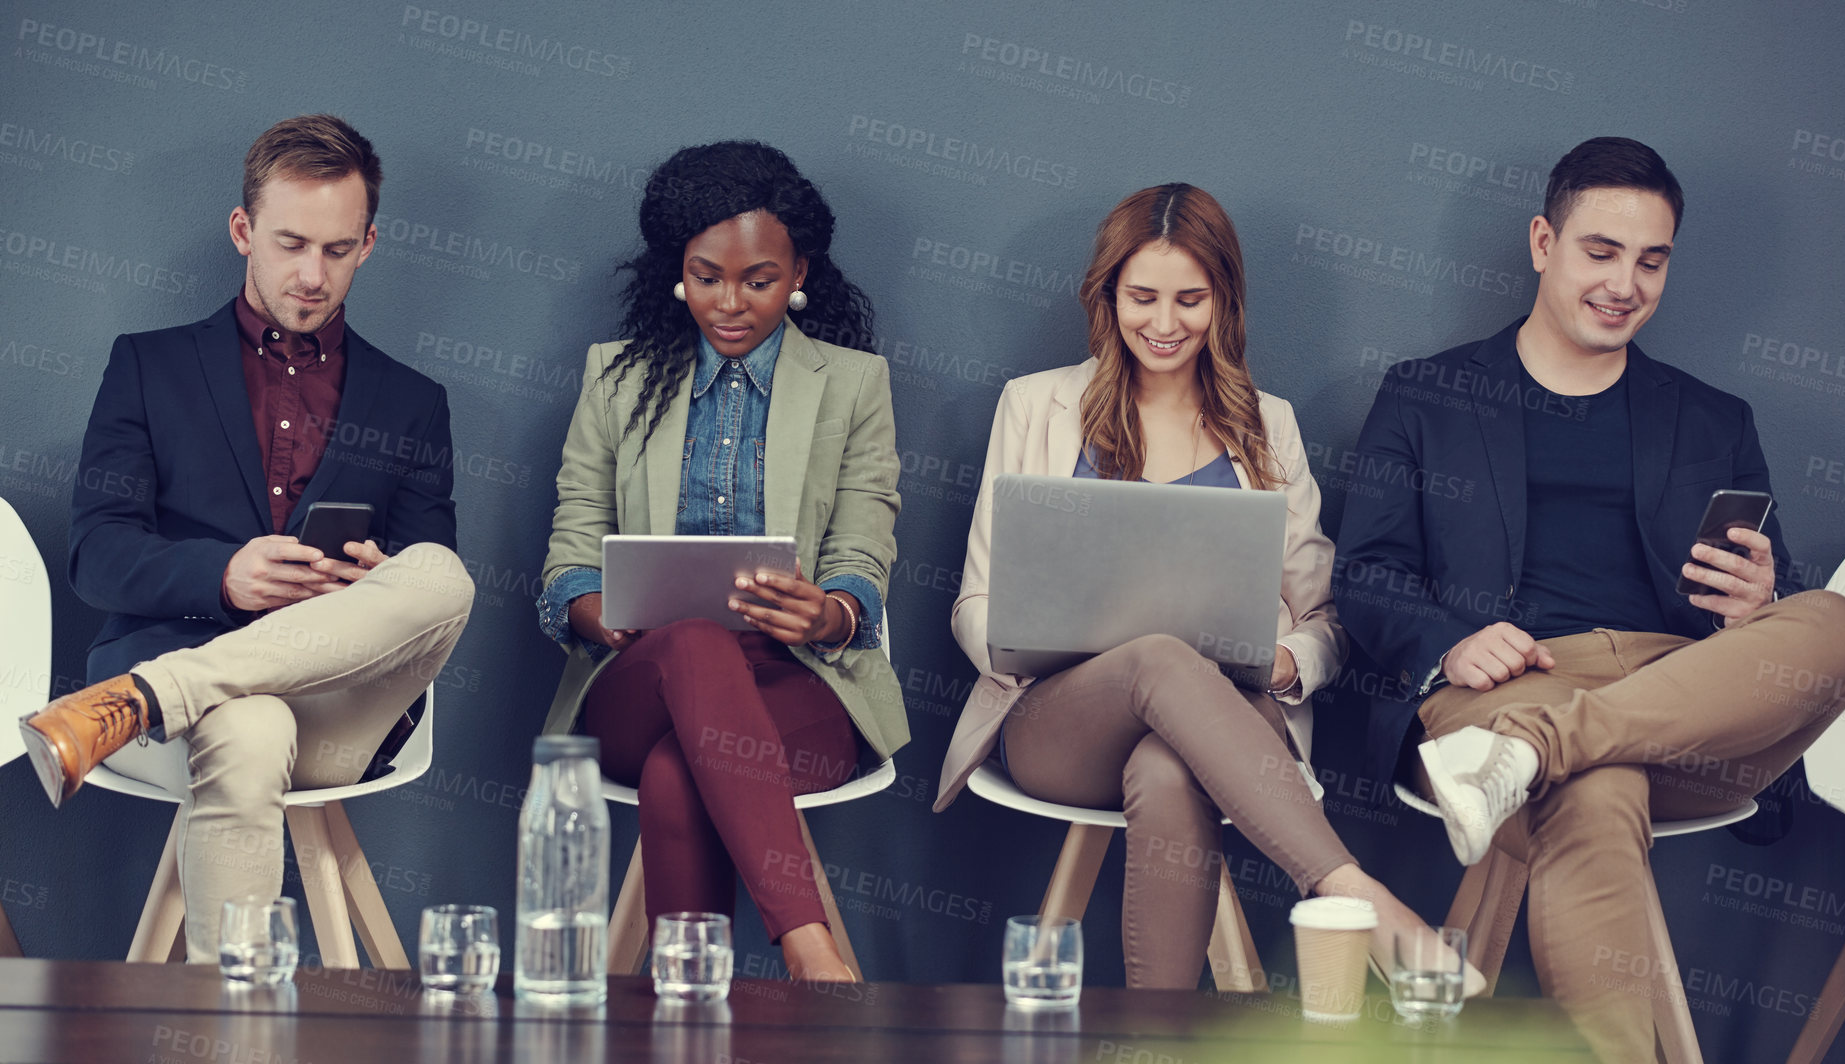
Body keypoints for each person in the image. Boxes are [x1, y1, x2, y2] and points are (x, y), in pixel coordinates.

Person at [1333, 137, 1845, 1060]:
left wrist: (1752, 606)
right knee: (1597, 787)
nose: (1626, 282)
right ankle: (1545, 748)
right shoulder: (1427, 395)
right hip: (1507, 684)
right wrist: (1449, 643)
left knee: (1837, 621)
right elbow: (1365, 576)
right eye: (1601, 250)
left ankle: (1534, 754)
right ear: (1543, 242)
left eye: (1650, 259)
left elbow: (1763, 603)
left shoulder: (1713, 418)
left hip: (1679, 694)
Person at [934, 184, 1481, 992]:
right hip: (1060, 721)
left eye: (1190, 299)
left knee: (1166, 767)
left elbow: (1324, 616)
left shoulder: (1268, 425)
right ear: (1106, 295)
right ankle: (1350, 891)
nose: (1164, 324)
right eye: (1141, 298)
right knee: (1156, 654)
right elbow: (973, 603)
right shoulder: (1035, 406)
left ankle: (1157, 1031)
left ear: (1223, 300)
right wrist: (1023, 633)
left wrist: (1287, 664)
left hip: (1232, 715)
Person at [18, 114, 473, 962]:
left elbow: (423, 589)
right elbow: (96, 554)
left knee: (441, 573)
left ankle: (147, 696)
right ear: (243, 231)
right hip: (200, 715)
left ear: (369, 243)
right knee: (250, 728)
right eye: (290, 243)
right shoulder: (148, 366)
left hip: (340, 706)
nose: (311, 274)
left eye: (337, 250)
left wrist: (376, 578)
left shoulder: (414, 401)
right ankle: (233, 1036)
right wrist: (225, 576)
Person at [536, 141, 906, 983]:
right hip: (639, 675)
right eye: (707, 277)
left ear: (799, 270)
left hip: (797, 685)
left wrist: (833, 611)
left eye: (759, 280)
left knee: (680, 773)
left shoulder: (851, 385)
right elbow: (568, 550)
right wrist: (597, 610)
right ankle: (813, 956)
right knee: (696, 644)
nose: (729, 304)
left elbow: (861, 548)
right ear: (679, 270)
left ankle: (687, 1009)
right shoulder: (617, 378)